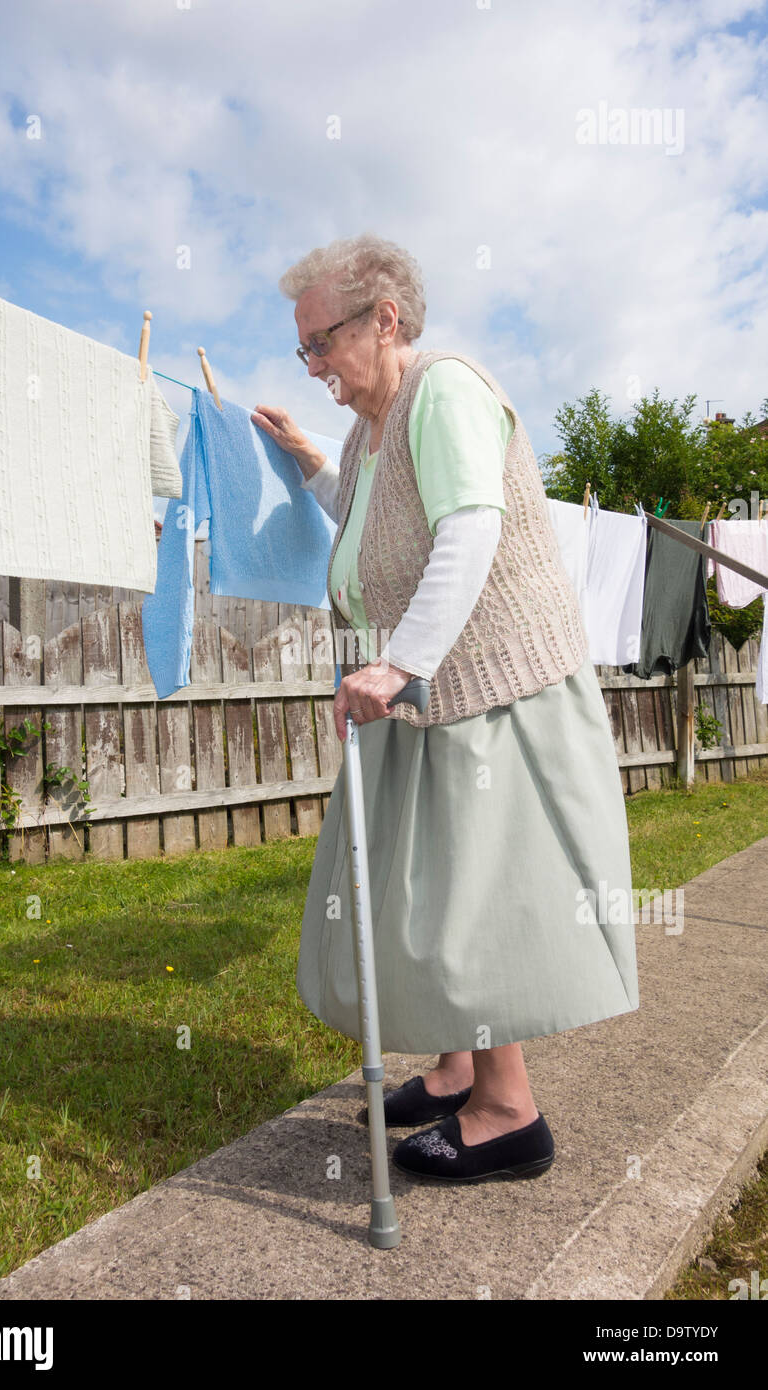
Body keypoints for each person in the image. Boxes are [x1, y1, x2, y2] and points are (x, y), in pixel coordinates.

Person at [251, 233, 639, 1183]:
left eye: (323, 343)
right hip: (430, 696)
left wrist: (399, 664)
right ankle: (458, 1068)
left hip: (488, 690)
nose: (314, 366)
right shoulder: (372, 428)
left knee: (472, 897)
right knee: (419, 889)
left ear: (386, 319)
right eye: (302, 349)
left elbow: (468, 527)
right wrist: (309, 461)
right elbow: (381, 516)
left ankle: (511, 1113)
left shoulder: (448, 390)